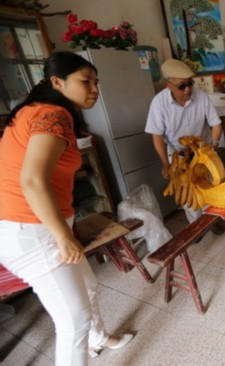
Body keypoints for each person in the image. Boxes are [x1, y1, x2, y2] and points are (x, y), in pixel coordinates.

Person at [0, 52, 133, 365]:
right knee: (74, 320)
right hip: (33, 230)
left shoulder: (35, 111)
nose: (94, 89)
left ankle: (100, 339)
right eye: (85, 81)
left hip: (30, 224)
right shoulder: (54, 115)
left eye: (96, 81)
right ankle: (89, 340)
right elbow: (32, 180)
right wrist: (62, 235)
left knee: (88, 286)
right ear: (57, 82)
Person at [145, 59, 224, 228]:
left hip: (202, 151)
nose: (188, 89)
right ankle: (196, 227)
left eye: (190, 84)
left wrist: (214, 142)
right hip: (178, 154)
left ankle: (213, 219)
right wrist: (165, 163)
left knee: (208, 186)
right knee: (188, 191)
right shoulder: (158, 104)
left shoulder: (201, 97)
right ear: (168, 85)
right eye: (182, 86)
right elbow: (157, 136)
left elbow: (215, 124)